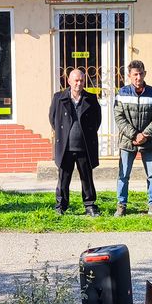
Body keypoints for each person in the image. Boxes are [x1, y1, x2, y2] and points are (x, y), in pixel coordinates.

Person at [113, 59, 152, 218]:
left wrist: (145, 135)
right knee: (124, 174)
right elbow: (118, 116)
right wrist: (134, 135)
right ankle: (121, 205)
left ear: (145, 74)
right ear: (129, 76)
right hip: (128, 141)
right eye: (135, 74)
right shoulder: (122, 93)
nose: (138, 77)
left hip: (149, 141)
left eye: (141, 74)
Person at [48, 68, 102, 217]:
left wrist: (87, 133)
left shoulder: (91, 98)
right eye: (76, 80)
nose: (79, 83)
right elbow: (53, 119)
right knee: (63, 179)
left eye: (81, 80)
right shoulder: (59, 97)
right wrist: (64, 134)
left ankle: (90, 205)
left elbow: (97, 120)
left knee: (87, 178)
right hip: (65, 146)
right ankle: (61, 206)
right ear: (69, 81)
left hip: (84, 146)